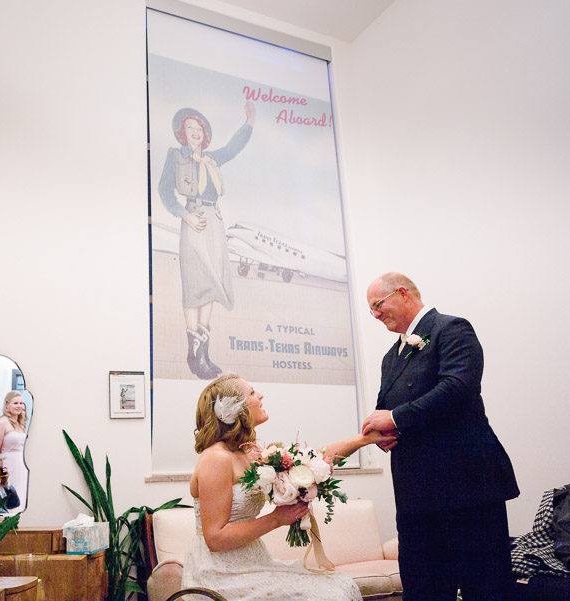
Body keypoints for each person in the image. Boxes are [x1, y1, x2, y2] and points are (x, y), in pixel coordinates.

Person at [362, 272, 520, 601]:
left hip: (466, 488)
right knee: (423, 589)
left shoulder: (451, 329)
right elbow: (385, 408)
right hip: (415, 498)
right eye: (371, 311)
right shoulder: (391, 357)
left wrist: (394, 418)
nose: (376, 315)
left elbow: (458, 387)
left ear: (402, 293)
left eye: (378, 305)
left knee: (486, 588)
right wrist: (381, 432)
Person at [181, 373, 395, 600]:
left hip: (252, 562)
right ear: (236, 409)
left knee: (340, 585)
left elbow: (311, 458)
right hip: (220, 573)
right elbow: (215, 538)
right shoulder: (216, 459)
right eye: (252, 393)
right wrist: (276, 519)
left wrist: (363, 440)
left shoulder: (246, 452)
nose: (260, 395)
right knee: (330, 594)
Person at [158, 102, 255, 379]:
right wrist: (183, 215)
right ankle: (193, 352)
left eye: (199, 127)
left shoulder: (213, 159)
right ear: (182, 133)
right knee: (194, 280)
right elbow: (165, 190)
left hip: (213, 220)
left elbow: (233, 148)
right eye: (190, 127)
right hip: (193, 217)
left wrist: (248, 124)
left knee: (212, 281)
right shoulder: (175, 155)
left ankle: (203, 353)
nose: (195, 131)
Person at [0, 390, 28, 512]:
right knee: (10, 493)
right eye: (15, 403)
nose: (19, 406)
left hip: (22, 465)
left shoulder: (22, 424)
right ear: (7, 405)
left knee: (22, 494)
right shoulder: (2, 422)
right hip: (8, 464)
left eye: (21, 403)